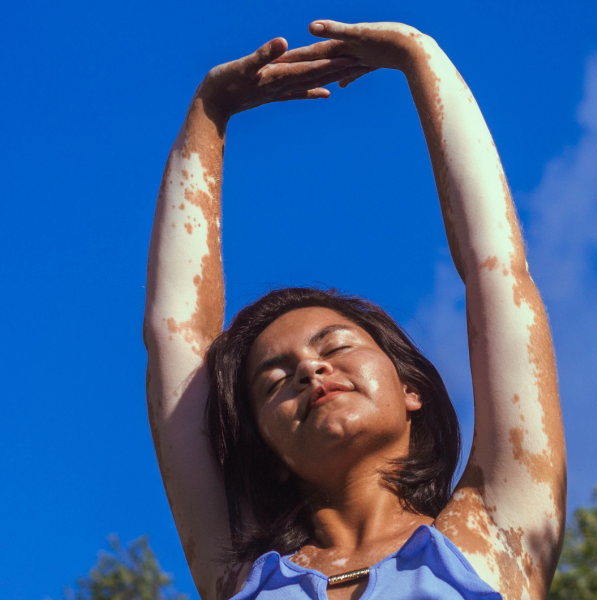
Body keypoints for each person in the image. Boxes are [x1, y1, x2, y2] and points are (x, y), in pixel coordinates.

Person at [144, 19, 566, 600]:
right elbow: (175, 338)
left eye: (335, 347)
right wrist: (208, 111)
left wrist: (419, 55)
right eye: (273, 381)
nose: (309, 372)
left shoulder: (492, 533)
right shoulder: (242, 576)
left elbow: (496, 272)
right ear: (265, 447)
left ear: (410, 389)